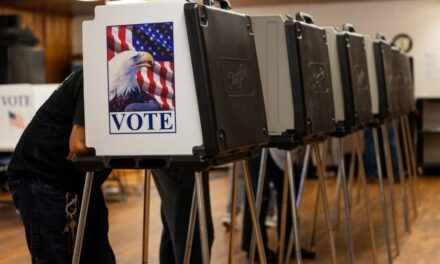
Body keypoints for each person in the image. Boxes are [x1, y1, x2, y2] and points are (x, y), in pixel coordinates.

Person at [6, 69, 116, 263]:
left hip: (78, 178)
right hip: (41, 173)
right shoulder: (97, 74)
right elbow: (78, 145)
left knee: (99, 255)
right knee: (54, 257)